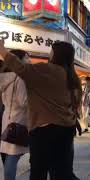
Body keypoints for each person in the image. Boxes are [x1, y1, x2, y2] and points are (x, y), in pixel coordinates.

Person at [0, 40, 82, 180]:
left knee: (39, 170)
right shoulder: (72, 76)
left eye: (51, 51)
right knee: (62, 171)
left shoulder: (46, 70)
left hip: (44, 130)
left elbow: (20, 68)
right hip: (67, 129)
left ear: (55, 54)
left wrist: (2, 49)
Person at [0, 50, 29, 180]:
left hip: (7, 118)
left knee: (8, 153)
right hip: (19, 120)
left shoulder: (4, 76)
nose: (29, 61)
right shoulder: (20, 77)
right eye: (26, 58)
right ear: (19, 60)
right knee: (13, 155)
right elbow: (23, 102)